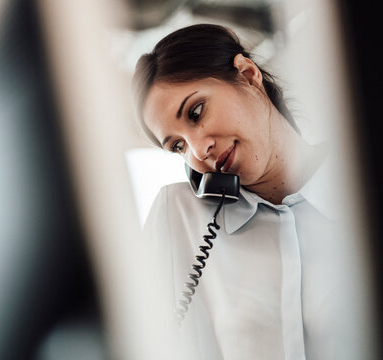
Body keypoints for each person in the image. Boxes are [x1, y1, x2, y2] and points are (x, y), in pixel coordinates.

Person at [133, 24, 371, 359]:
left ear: (247, 74)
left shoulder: (362, 186)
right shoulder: (178, 217)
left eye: (196, 112)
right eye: (177, 146)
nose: (199, 152)